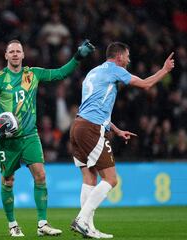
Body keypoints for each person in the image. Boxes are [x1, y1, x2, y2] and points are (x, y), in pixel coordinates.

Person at [0, 39, 95, 237]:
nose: (15, 54)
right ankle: (12, 224)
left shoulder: (33, 74)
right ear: (6, 56)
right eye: (12, 52)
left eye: (18, 51)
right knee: (8, 180)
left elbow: (60, 73)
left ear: (23, 55)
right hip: (5, 140)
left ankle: (42, 224)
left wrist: (77, 58)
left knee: (40, 175)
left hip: (29, 135)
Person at [69, 42, 175, 238]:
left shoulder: (93, 72)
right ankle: (82, 220)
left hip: (77, 126)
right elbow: (146, 84)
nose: (129, 60)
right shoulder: (115, 70)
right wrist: (164, 70)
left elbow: (94, 107)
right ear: (118, 57)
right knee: (111, 179)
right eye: (127, 56)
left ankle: (88, 227)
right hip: (91, 129)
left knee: (90, 178)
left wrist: (116, 130)